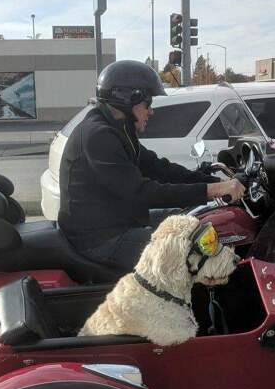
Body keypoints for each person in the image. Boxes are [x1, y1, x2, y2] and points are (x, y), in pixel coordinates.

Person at [58, 60, 245, 272]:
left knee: (189, 217)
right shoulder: (99, 136)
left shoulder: (117, 129)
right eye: (148, 104)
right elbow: (142, 193)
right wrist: (213, 190)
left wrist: (214, 181)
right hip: (98, 238)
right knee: (190, 251)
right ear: (128, 99)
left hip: (116, 218)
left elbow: (158, 168)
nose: (151, 112)